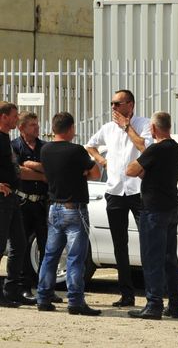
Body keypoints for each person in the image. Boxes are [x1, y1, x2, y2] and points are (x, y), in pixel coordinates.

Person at [86, 89, 152, 307]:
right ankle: (126, 294)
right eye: (112, 103)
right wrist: (102, 161)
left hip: (137, 191)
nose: (113, 107)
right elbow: (90, 145)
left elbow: (145, 147)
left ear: (130, 105)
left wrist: (126, 127)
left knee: (147, 241)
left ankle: (153, 295)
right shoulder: (107, 128)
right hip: (115, 191)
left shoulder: (143, 124)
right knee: (119, 245)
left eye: (117, 103)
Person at [37, 112, 101, 315]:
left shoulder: (45, 149)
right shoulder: (76, 150)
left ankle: (43, 298)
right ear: (71, 128)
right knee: (75, 257)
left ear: (54, 128)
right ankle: (75, 301)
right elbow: (96, 173)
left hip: (54, 207)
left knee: (50, 256)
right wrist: (81, 174)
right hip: (75, 208)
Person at [126, 112, 178, 320]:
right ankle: (175, 304)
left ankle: (154, 304)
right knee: (169, 258)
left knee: (152, 258)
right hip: (171, 207)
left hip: (154, 210)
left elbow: (131, 170)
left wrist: (140, 158)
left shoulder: (156, 150)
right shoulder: (176, 148)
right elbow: (154, 172)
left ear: (153, 128)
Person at [11, 111, 62, 304]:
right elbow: (19, 172)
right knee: (22, 246)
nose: (37, 128)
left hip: (42, 203)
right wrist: (42, 174)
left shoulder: (45, 147)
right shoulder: (14, 146)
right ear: (21, 128)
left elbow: (53, 170)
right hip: (23, 203)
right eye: (32, 125)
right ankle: (24, 287)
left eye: (37, 124)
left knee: (46, 247)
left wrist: (31, 164)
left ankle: (45, 288)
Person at [0, 102, 45, 307]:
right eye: (14, 115)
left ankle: (12, 290)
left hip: (13, 198)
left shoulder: (5, 138)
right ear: (4, 117)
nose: (16, 119)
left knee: (19, 243)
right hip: (2, 198)